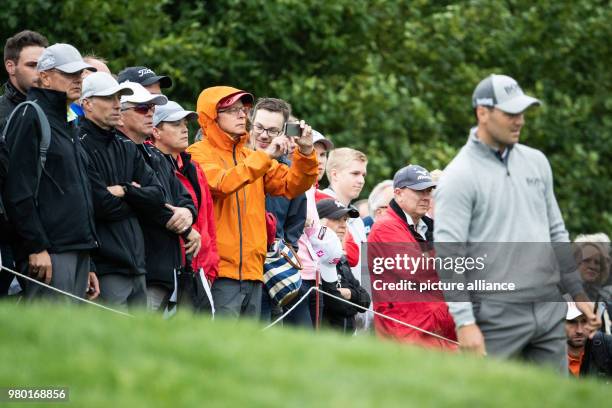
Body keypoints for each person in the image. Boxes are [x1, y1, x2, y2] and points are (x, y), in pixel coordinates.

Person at [434, 74, 600, 369]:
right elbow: (450, 256)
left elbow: (556, 232)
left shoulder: (537, 161)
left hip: (549, 308)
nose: (519, 120)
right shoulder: (459, 176)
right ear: (482, 113)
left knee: (552, 399)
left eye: (522, 113)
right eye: (510, 113)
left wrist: (577, 292)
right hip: (494, 314)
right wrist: (464, 322)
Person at [187, 86, 318, 319]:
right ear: (211, 116)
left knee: (248, 353)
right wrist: (266, 156)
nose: (242, 115)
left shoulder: (251, 157)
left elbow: (293, 184)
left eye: (244, 109)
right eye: (233, 110)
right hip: (219, 273)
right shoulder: (197, 153)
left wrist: (306, 153)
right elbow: (221, 184)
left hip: (254, 273)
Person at [3, 43, 99, 300]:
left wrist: (88, 262)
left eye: (80, 74)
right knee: (52, 335)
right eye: (69, 74)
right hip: (49, 252)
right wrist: (36, 246)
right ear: (44, 77)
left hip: (75, 250)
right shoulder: (29, 114)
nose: (78, 80)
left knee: (73, 337)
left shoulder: (68, 120)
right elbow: (17, 190)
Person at [79, 72, 170, 307]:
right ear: (87, 103)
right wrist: (139, 201)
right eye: (109, 98)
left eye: (118, 98)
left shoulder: (126, 145)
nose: (116, 104)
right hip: (105, 267)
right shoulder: (79, 143)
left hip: (137, 266)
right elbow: (99, 204)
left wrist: (125, 190)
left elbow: (158, 196)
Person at [118, 82, 198, 312]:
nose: (150, 112)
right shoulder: (121, 149)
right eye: (143, 108)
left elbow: (181, 197)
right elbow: (148, 202)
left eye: (152, 108)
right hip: (141, 264)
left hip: (165, 269)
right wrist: (186, 228)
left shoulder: (154, 154)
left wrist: (187, 213)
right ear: (121, 114)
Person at [368, 165, 456, 349]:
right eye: (419, 191)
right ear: (398, 193)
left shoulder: (427, 226)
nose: (426, 196)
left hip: (432, 327)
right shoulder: (385, 227)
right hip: (406, 330)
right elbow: (418, 270)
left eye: (428, 191)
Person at [152, 100, 219, 311]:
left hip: (197, 271)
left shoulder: (193, 167)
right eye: (175, 124)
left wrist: (209, 269)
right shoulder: (146, 162)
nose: (184, 129)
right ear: (155, 131)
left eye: (185, 123)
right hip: (161, 269)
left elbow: (207, 223)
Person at [248, 98, 307, 322]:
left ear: (284, 132)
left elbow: (296, 220)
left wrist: (283, 252)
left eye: (272, 130)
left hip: (272, 269)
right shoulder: (236, 161)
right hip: (237, 265)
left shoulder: (289, 170)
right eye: (260, 127)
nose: (263, 135)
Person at [0, 30, 48, 296]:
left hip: (51, 236)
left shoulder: (62, 116)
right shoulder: (2, 114)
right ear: (11, 66)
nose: (39, 73)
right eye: (31, 65)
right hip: (11, 240)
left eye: (43, 66)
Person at [316, 199, 371, 334]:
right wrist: (354, 303)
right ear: (320, 222)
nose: (343, 226)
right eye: (337, 219)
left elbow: (365, 300)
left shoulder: (342, 259)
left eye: (345, 220)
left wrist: (349, 293)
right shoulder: (315, 257)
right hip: (325, 339)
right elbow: (334, 303)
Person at [566, 301, 612, 378]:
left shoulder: (607, 345)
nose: (579, 330)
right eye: (571, 322)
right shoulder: (543, 356)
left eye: (584, 321)